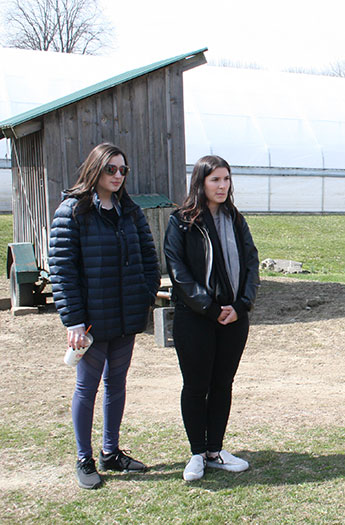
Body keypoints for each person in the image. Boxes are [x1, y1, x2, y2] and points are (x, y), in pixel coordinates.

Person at [49, 142, 160, 489]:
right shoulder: (72, 211)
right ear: (95, 169)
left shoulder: (130, 210)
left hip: (126, 316)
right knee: (87, 387)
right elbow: (62, 270)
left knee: (117, 385)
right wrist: (74, 320)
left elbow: (148, 256)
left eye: (122, 170)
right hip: (93, 322)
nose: (117, 175)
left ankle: (111, 452)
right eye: (110, 169)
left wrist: (144, 293)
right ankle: (85, 459)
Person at [163, 155, 260, 482]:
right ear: (201, 182)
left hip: (234, 318)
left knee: (222, 384)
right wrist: (209, 307)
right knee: (196, 385)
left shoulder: (236, 219)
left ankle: (215, 450)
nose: (222, 186)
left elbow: (251, 263)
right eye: (215, 180)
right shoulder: (182, 221)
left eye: (226, 179)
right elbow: (179, 272)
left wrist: (242, 304)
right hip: (196, 318)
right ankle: (196, 453)